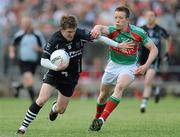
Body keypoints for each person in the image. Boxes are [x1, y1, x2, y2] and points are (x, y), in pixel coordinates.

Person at [15, 15, 134, 135]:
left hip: (71, 77)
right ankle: (23, 128)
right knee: (41, 100)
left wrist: (117, 45)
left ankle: (54, 108)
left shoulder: (80, 34)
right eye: (68, 32)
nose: (71, 34)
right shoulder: (54, 39)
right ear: (61, 29)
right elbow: (43, 61)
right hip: (55, 73)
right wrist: (56, 67)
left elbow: (99, 38)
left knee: (61, 110)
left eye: (73, 31)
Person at [88, 6, 158, 131]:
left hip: (129, 67)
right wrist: (95, 29)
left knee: (120, 86)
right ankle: (96, 119)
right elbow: (99, 27)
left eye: (120, 18)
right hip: (112, 65)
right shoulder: (112, 30)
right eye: (115, 18)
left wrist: (145, 66)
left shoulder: (138, 32)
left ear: (127, 20)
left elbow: (154, 49)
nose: (117, 21)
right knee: (103, 95)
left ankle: (102, 119)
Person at [139, 10, 172, 113]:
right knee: (147, 81)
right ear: (145, 17)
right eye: (147, 16)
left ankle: (144, 104)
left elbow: (168, 38)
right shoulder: (141, 29)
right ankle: (155, 90)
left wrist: (167, 52)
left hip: (154, 59)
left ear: (155, 17)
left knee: (147, 81)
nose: (149, 18)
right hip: (143, 59)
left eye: (152, 16)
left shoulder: (159, 29)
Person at [9, 16, 46, 102]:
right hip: (23, 61)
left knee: (28, 81)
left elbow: (45, 48)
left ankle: (18, 87)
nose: (25, 25)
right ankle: (33, 102)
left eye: (27, 23)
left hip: (33, 62)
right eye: (23, 24)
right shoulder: (19, 35)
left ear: (30, 24)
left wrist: (38, 49)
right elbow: (12, 45)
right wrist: (12, 53)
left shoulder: (37, 35)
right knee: (29, 80)